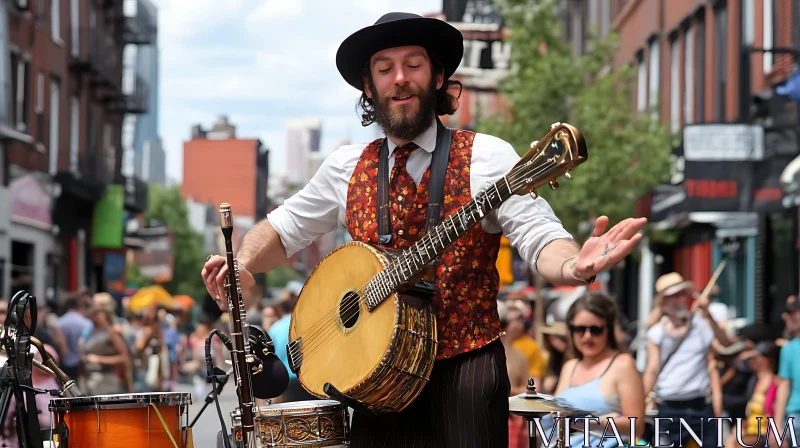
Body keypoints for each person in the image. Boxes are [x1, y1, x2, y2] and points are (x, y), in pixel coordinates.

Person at [201, 12, 646, 447]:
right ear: (368, 86)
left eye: (413, 64)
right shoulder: (345, 166)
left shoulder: (488, 157)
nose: (400, 78)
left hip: (465, 376)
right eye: (384, 68)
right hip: (374, 384)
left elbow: (538, 234)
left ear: (437, 78)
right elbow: (283, 228)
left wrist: (573, 264)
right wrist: (240, 265)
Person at [541, 293, 645, 447]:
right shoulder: (570, 366)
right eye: (579, 329)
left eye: (595, 329)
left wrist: (587, 423)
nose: (587, 336)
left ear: (608, 330)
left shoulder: (622, 364)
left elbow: (635, 427)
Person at [643, 272, 732, 447]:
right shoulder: (656, 332)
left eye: (681, 294)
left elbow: (723, 345)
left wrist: (707, 314)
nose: (678, 300)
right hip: (669, 407)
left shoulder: (700, 324)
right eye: (672, 296)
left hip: (700, 406)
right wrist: (639, 405)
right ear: (663, 301)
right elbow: (652, 370)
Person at [774, 294, 800, 439]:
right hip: (796, 415)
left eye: (792, 313)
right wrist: (777, 423)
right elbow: (784, 384)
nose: (787, 317)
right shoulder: (788, 348)